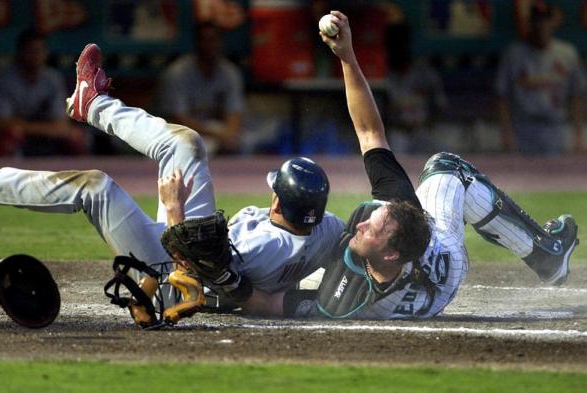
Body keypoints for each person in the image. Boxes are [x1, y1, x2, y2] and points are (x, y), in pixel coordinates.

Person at [239, 11, 579, 320]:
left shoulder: (344, 299)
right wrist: (347, 58)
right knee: (448, 169)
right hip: (444, 262)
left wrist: (224, 283)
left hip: (419, 283)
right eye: (372, 221)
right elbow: (370, 133)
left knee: (304, 268)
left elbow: (268, 303)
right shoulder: (412, 226)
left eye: (372, 229)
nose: (360, 224)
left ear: (390, 255)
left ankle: (547, 254)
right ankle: (546, 253)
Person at [0, 43, 344, 325]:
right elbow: (348, 239)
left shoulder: (261, 245)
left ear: (279, 203)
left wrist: (174, 207)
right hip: (197, 250)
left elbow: (194, 267)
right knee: (184, 143)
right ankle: (92, 103)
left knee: (94, 187)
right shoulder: (326, 230)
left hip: (171, 280)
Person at [496, 2, 586, 155]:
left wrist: (578, 134)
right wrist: (506, 133)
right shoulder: (514, 54)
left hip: (556, 127)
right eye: (537, 20)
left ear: (553, 22)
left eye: (545, 20)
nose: (541, 25)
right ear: (530, 22)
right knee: (522, 177)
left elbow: (577, 95)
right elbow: (501, 96)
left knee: (560, 176)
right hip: (523, 127)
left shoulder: (567, 53)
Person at [0, 28, 87, 156]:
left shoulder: (53, 78)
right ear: (20, 52)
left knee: (76, 137)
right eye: (31, 51)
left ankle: (77, 175)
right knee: (11, 135)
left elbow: (61, 123)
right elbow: (1, 122)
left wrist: (33, 128)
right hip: (15, 135)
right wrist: (44, 129)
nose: (36, 56)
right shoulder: (3, 78)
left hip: (44, 135)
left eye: (40, 50)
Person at [153, 21, 244, 155]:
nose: (209, 45)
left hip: (216, 131)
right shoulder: (177, 73)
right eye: (205, 40)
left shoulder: (230, 72)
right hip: (182, 132)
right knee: (193, 147)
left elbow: (235, 113)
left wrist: (229, 134)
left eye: (213, 40)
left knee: (246, 141)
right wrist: (217, 135)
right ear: (196, 43)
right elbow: (178, 119)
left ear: (220, 43)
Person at [383, 22, 447, 153]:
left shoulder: (424, 71)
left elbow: (440, 104)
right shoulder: (382, 75)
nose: (399, 48)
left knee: (446, 157)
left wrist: (428, 125)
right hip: (397, 133)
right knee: (394, 152)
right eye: (395, 44)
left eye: (402, 43)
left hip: (424, 131)